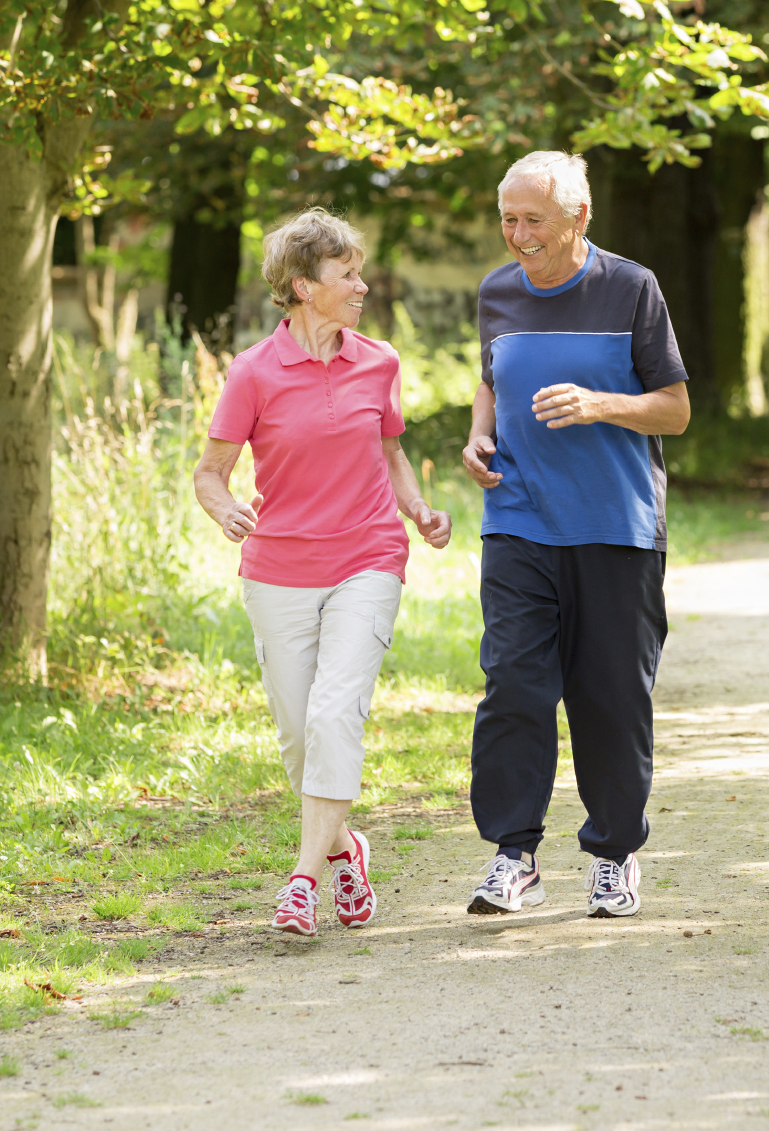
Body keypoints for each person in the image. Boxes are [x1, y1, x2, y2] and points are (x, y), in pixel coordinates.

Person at [193, 208, 453, 936]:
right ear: (305, 287)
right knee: (300, 736)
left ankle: (302, 879)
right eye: (347, 276)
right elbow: (209, 473)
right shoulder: (252, 372)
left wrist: (419, 511)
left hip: (367, 558)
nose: (362, 286)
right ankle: (347, 849)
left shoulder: (379, 361)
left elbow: (392, 453)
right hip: (278, 568)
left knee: (336, 712)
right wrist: (224, 511)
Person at [460, 151, 690, 919]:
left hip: (616, 524)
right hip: (518, 518)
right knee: (514, 687)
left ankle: (615, 854)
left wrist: (601, 404)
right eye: (508, 220)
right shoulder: (496, 291)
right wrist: (478, 438)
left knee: (609, 697)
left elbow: (674, 407)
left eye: (533, 221)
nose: (518, 236)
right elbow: (491, 381)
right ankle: (513, 855)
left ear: (578, 218)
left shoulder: (631, 288)